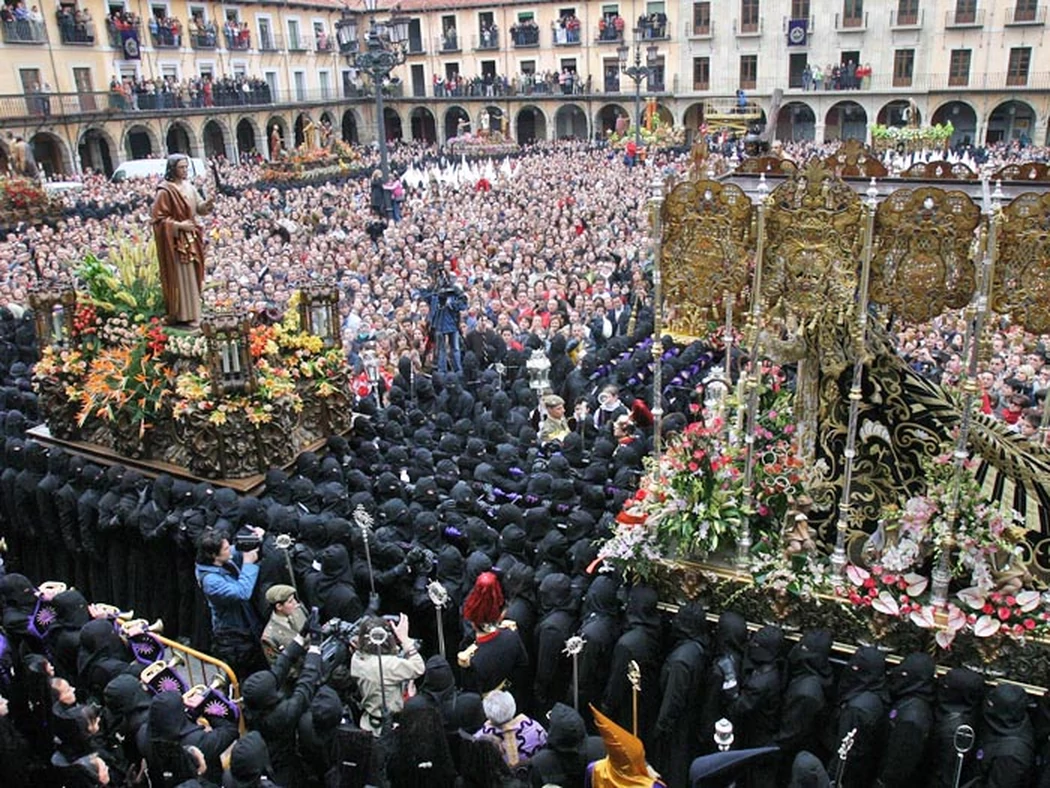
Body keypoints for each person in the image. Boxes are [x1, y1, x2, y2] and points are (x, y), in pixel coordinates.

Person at [194, 527, 267, 679]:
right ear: (214, 555)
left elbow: (236, 549)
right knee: (240, 675)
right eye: (226, 548)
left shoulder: (219, 560)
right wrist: (248, 564)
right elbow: (242, 592)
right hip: (233, 636)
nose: (230, 550)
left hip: (245, 624)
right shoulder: (210, 581)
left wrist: (253, 539)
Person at [151, 154, 213, 327]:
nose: (185, 171)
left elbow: (199, 208)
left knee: (194, 274)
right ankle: (185, 314)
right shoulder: (165, 190)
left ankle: (195, 311)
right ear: (173, 169)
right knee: (182, 276)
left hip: (191, 237)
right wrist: (178, 226)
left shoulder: (189, 186)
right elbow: (158, 219)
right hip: (176, 241)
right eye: (181, 167)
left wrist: (207, 205)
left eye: (186, 167)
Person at [349, 613, 425, 736]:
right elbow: (419, 667)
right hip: (390, 727)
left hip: (368, 723)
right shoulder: (389, 665)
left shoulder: (357, 659)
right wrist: (404, 638)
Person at [260, 583, 306, 665]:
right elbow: (279, 666)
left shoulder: (298, 610)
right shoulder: (269, 637)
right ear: (279, 607)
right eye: (290, 601)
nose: (295, 603)